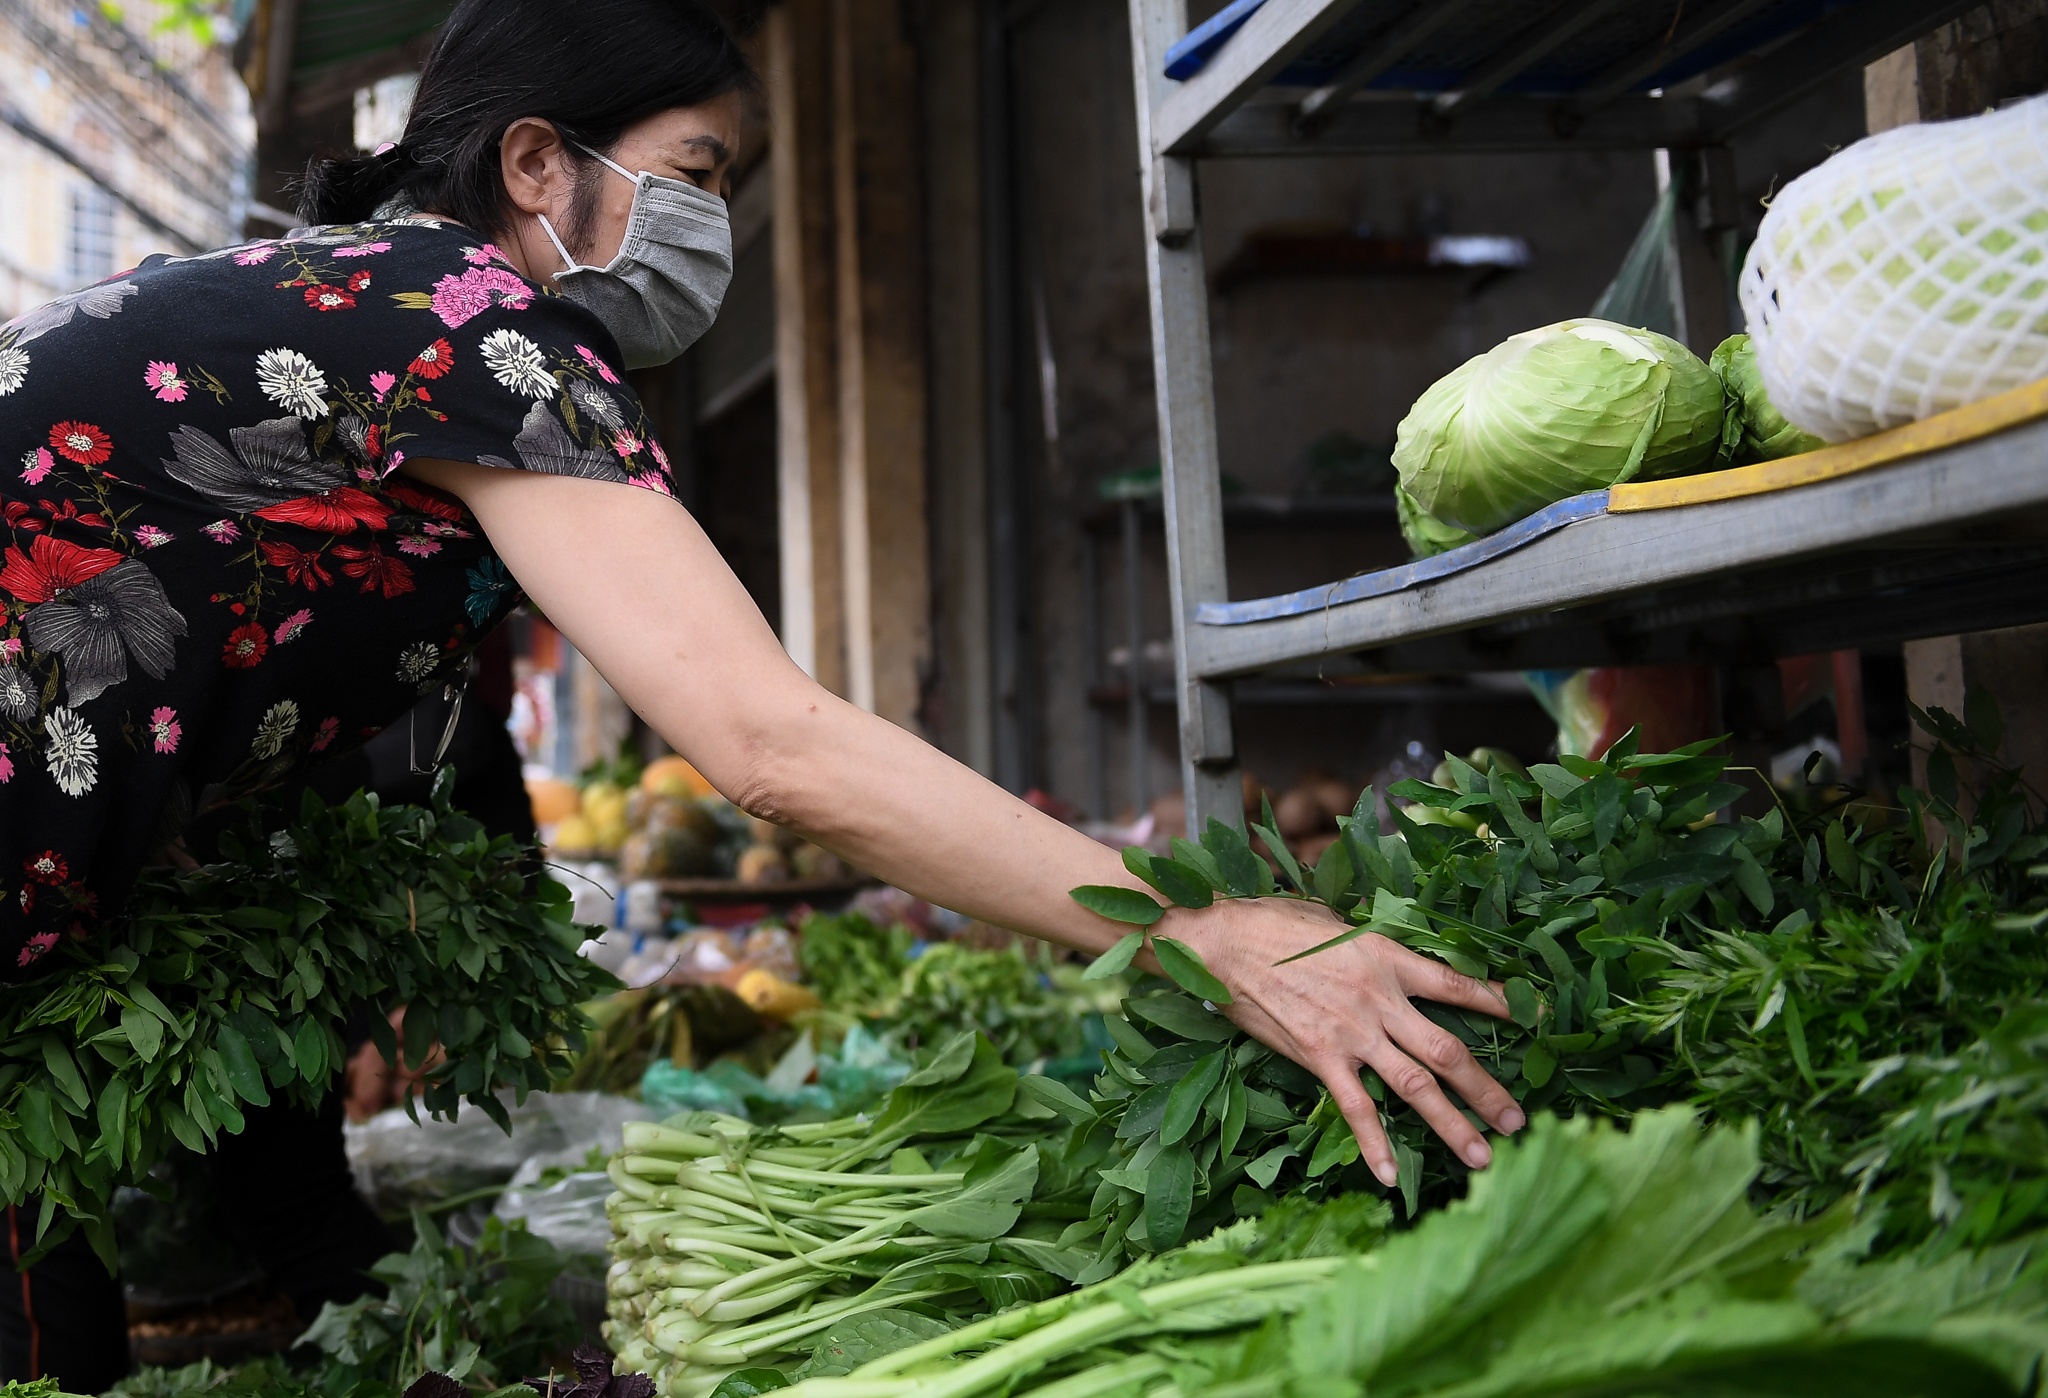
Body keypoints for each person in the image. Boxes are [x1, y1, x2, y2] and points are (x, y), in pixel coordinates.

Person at [0, 0, 1523, 1384]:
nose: (719, 222)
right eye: (700, 171)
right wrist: (1191, 928)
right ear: (537, 163)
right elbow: (770, 743)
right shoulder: (473, 328)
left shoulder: (366, 306)